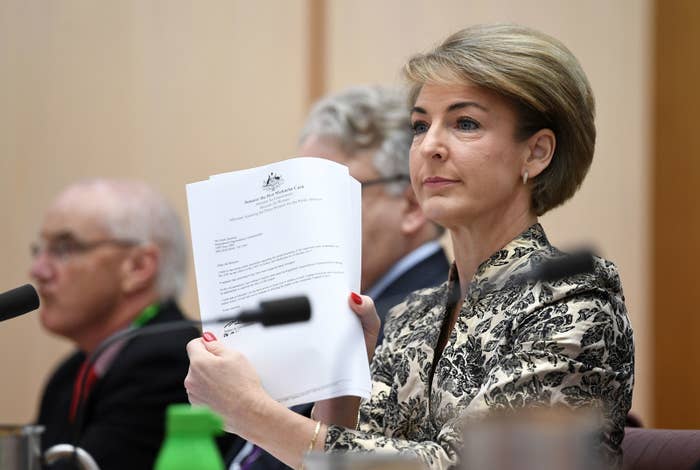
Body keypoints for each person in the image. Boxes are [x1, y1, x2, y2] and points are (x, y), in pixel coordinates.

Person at [185, 24, 634, 469]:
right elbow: (356, 455)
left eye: (465, 123)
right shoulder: (413, 315)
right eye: (420, 125)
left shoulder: (577, 300)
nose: (429, 146)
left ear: (536, 153)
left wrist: (250, 411)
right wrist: (339, 388)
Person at [226, 85, 451, 469]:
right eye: (298, 197)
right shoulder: (328, 303)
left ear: (412, 206)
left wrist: (244, 407)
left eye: (326, 194)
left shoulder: (422, 317)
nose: (302, 219)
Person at [31, 179, 200, 469]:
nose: (38, 270)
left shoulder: (168, 363)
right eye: (39, 250)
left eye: (64, 249)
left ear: (138, 267)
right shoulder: (71, 371)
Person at [299, 85, 451, 343]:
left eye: (333, 193)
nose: (309, 218)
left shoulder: (428, 320)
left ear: (412, 206)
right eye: (303, 196)